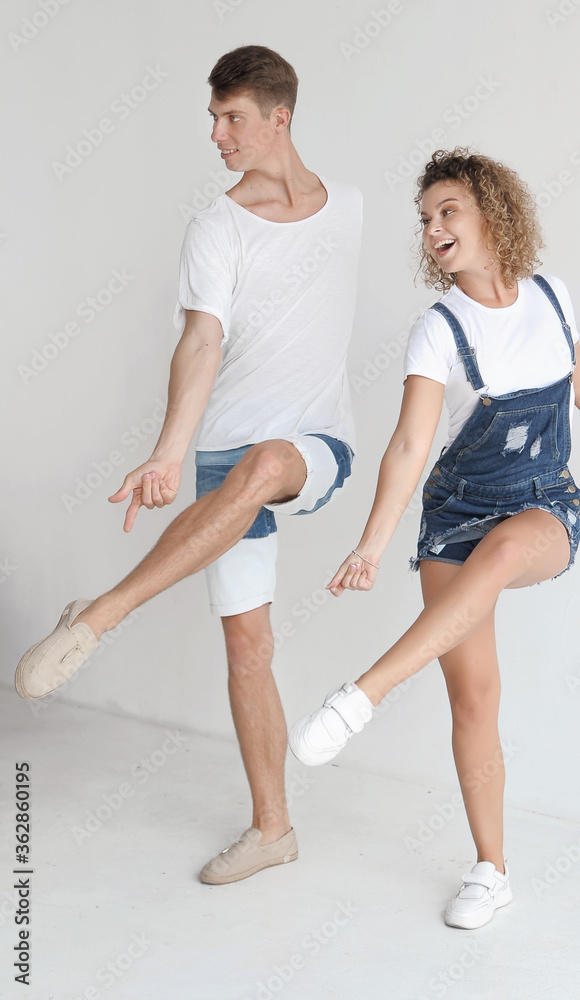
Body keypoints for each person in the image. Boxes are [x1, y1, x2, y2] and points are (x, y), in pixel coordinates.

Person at [288, 148, 580, 929]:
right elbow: (407, 447)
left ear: (492, 212)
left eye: (447, 211)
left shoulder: (553, 296)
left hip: (543, 505)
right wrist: (370, 543)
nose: (432, 229)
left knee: (500, 559)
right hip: (455, 512)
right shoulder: (438, 331)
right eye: (424, 219)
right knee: (474, 696)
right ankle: (491, 871)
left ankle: (363, 696)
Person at [15, 45, 362, 885]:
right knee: (250, 647)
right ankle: (273, 829)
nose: (216, 134)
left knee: (270, 460)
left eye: (232, 118)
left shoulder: (348, 207)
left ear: (279, 118)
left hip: (313, 447)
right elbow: (201, 339)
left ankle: (99, 615)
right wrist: (170, 454)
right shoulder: (215, 226)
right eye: (212, 118)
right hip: (221, 456)